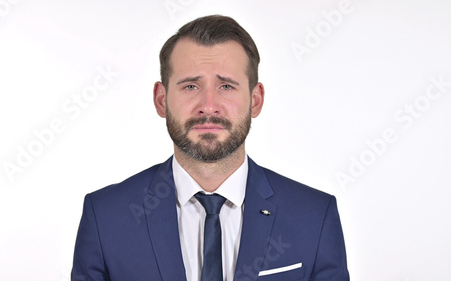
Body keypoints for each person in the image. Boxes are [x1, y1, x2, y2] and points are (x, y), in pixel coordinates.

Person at [71, 15, 349, 281]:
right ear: (161, 99)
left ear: (255, 100)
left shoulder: (314, 216)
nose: (208, 105)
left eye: (226, 86)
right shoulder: (106, 217)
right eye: (191, 86)